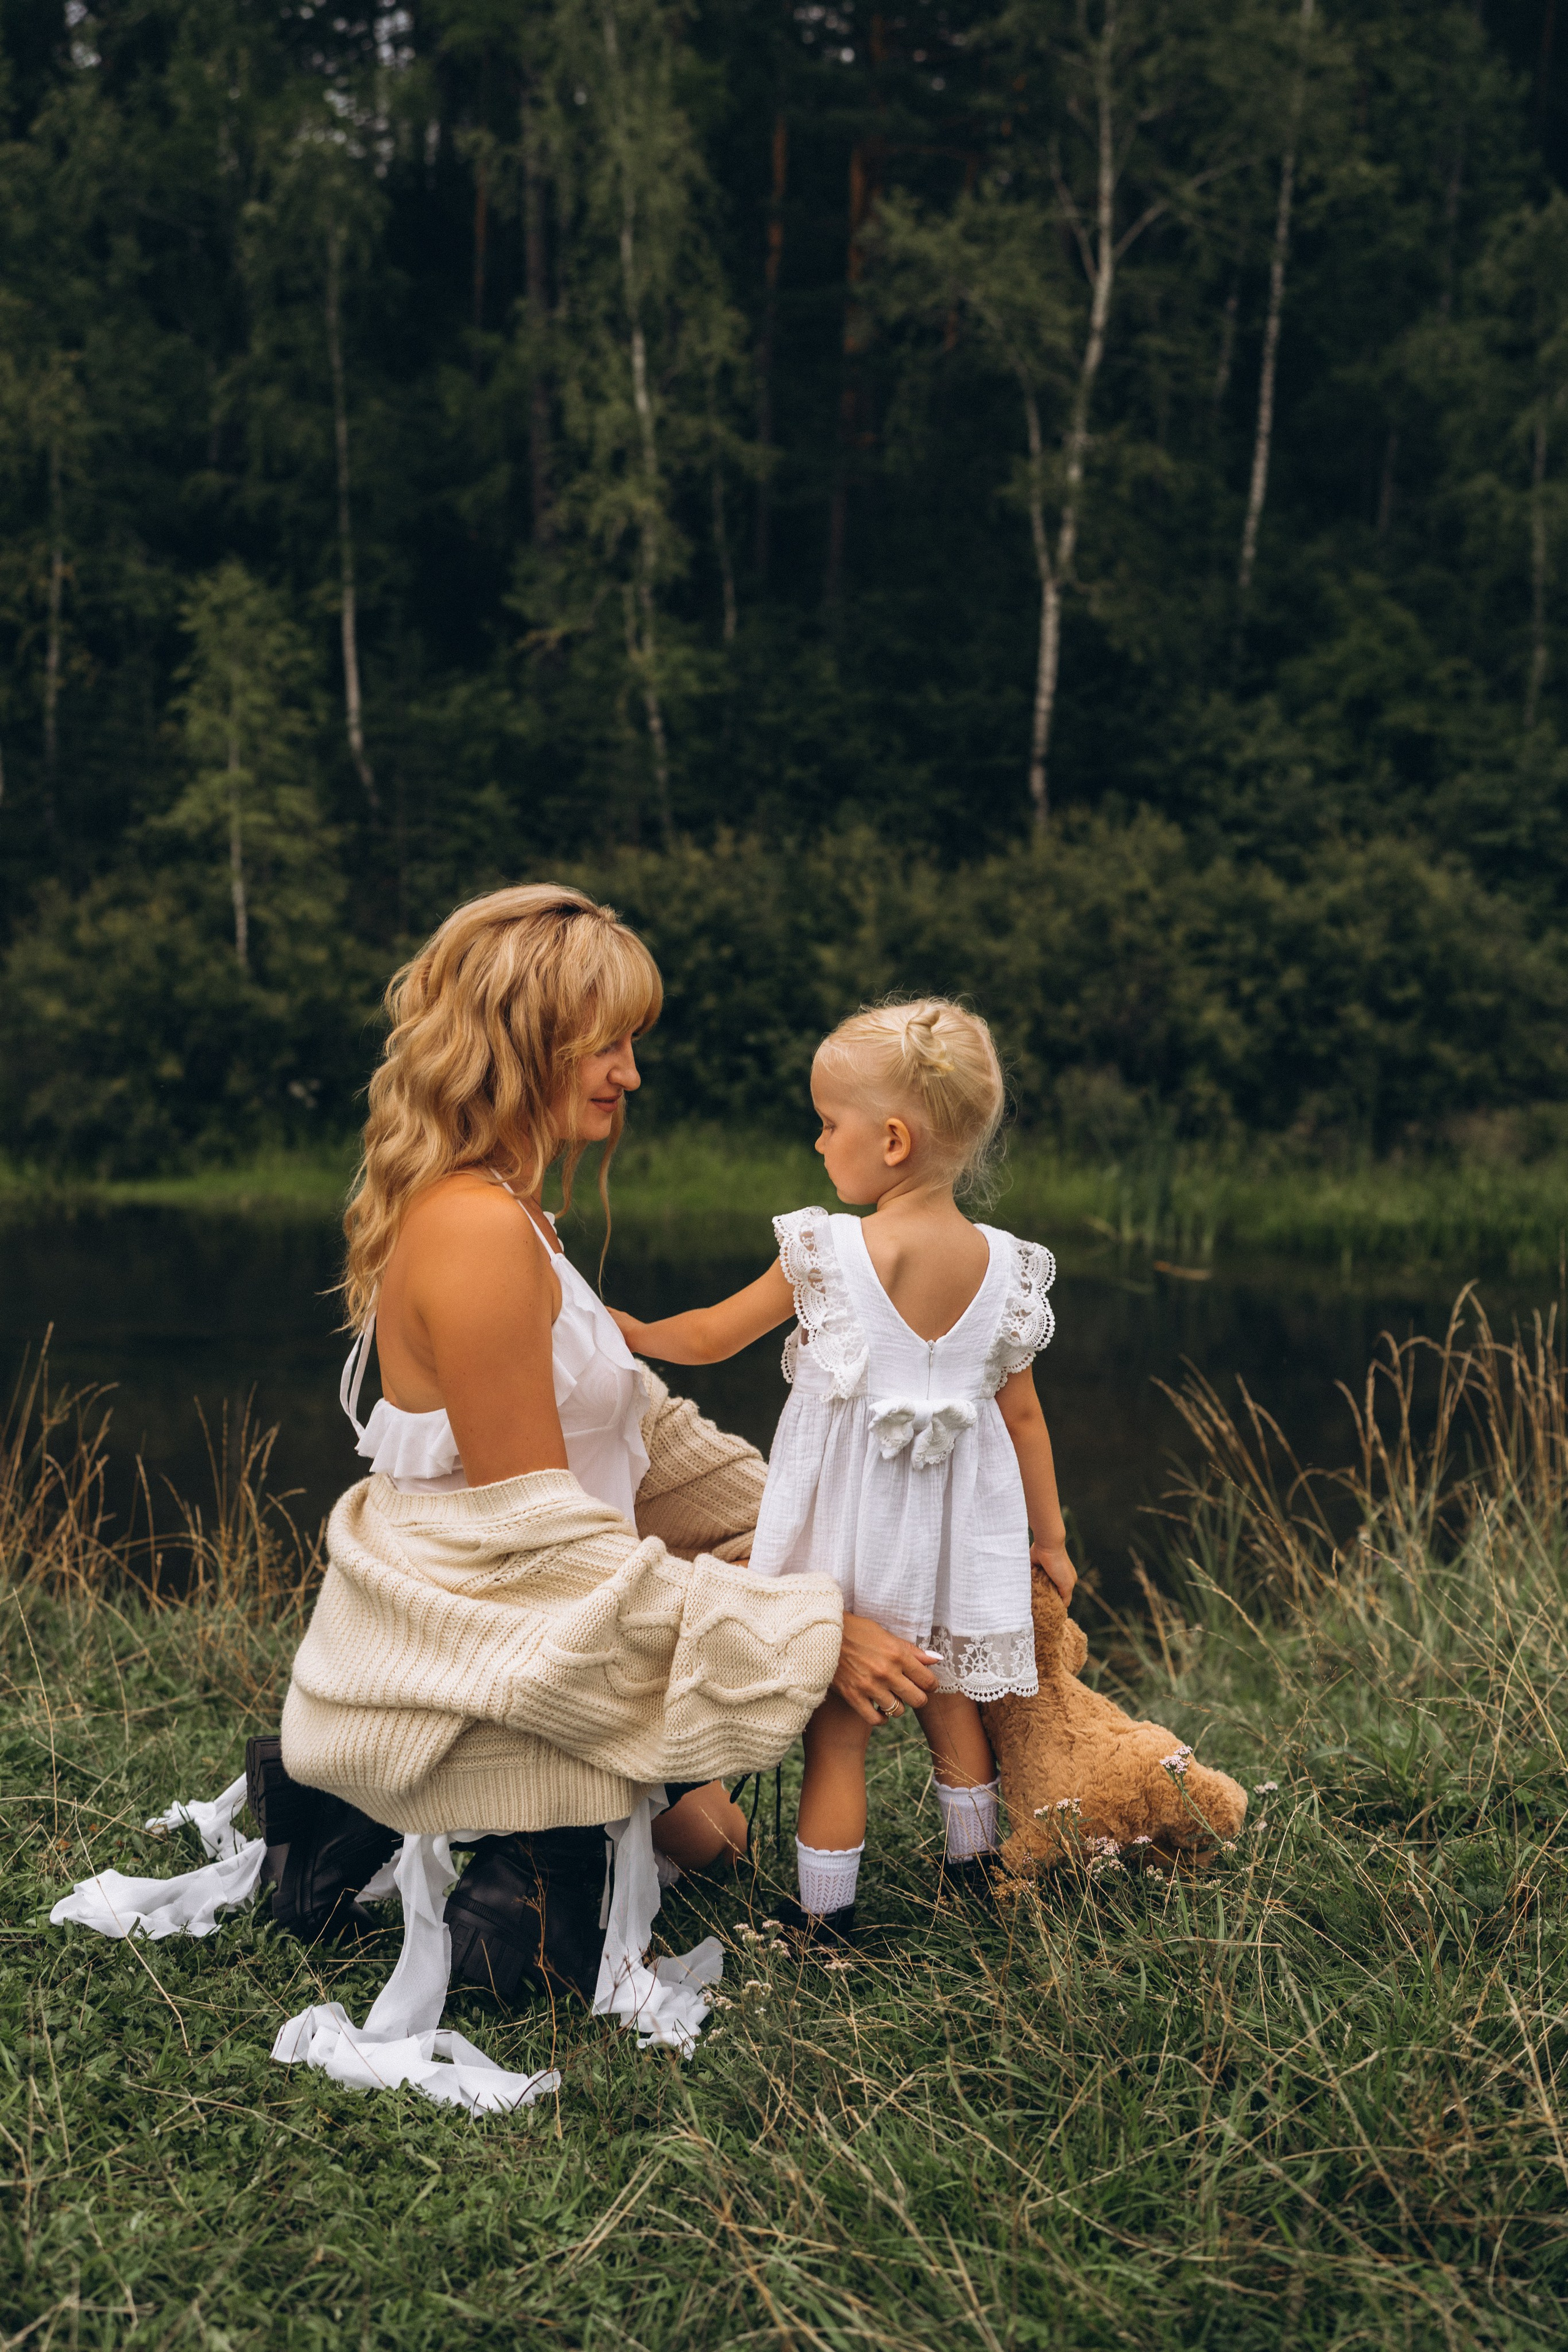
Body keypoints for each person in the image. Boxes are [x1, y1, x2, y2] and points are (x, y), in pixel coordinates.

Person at [254, 886, 939, 2007]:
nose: (630, 1073)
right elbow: (543, 1547)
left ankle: (368, 1808)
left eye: (632, 1043)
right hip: (488, 1631)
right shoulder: (476, 1233)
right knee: (592, 1921)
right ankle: (411, 1810)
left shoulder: (511, 1209)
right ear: (523, 1044)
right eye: (608, 1045)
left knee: (719, 1841)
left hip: (525, 1611)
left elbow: (634, 1426)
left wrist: (824, 1527)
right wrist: (815, 1630)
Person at [609, 997, 1075, 1942]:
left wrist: (620, 1331)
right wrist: (1052, 1540)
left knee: (837, 1732)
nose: (820, 1144)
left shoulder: (831, 1252)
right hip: (959, 1540)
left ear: (893, 1140)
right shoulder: (1009, 1266)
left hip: (857, 1542)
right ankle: (975, 1874)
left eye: (829, 1125)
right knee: (955, 1711)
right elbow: (1023, 1418)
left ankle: (823, 1922)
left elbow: (711, 1336)